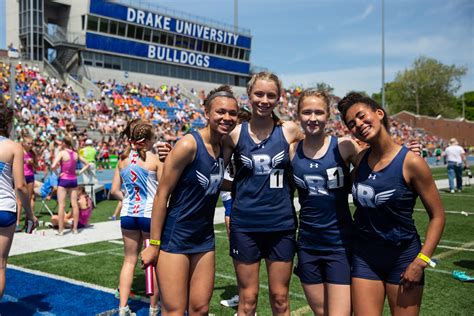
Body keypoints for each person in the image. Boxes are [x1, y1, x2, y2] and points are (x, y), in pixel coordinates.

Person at [337, 92, 445, 316]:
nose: (359, 124)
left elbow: (438, 216)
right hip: (364, 256)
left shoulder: (412, 162)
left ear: (379, 113)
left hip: (403, 257)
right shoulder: (360, 160)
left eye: (361, 116)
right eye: (352, 124)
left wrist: (421, 261)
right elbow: (340, 187)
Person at [141, 85, 238, 315]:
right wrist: (154, 245)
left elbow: (212, 182)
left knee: (200, 308)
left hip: (204, 238)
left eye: (232, 113)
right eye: (220, 112)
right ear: (206, 113)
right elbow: (162, 195)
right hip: (176, 237)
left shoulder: (225, 146)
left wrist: (243, 186)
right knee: (174, 310)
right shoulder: (188, 145)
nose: (227, 117)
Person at [222, 72, 303, 315]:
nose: (264, 100)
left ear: (278, 98)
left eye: (271, 95)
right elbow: (213, 171)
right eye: (259, 94)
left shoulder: (290, 131)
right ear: (248, 95)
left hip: (281, 226)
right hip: (245, 225)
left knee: (280, 298)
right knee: (248, 300)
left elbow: (317, 157)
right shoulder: (234, 135)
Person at [290, 89, 362, 315]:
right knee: (321, 312)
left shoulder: (344, 146)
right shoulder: (292, 150)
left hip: (339, 244)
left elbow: (375, 168)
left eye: (319, 112)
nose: (313, 118)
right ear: (298, 115)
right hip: (308, 244)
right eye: (307, 112)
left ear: (328, 115)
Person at [111, 120, 162, 316]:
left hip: (128, 215)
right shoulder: (155, 160)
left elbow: (114, 190)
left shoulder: (122, 159)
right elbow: (166, 190)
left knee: (129, 261)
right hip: (150, 215)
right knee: (154, 262)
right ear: (148, 140)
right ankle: (153, 308)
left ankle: (123, 308)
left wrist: (130, 199)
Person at [0, 106, 38, 298]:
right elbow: (21, 186)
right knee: (0, 265)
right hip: (5, 209)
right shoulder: (14, 147)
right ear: (7, 123)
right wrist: (30, 215)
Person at [51, 136, 90, 235]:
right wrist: (79, 173)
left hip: (63, 180)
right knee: (74, 204)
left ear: (64, 143)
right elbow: (87, 164)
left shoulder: (62, 153)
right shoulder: (76, 154)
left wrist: (57, 174)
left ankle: (61, 230)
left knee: (61, 205)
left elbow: (53, 166)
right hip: (73, 180)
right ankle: (75, 229)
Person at [16, 135, 37, 231]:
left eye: (31, 143)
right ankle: (17, 223)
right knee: (19, 201)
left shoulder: (32, 153)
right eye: (28, 143)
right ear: (23, 143)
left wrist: (32, 163)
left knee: (28, 200)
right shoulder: (19, 151)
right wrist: (24, 162)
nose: (30, 145)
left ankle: (28, 223)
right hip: (21, 176)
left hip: (30, 177)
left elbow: (36, 167)